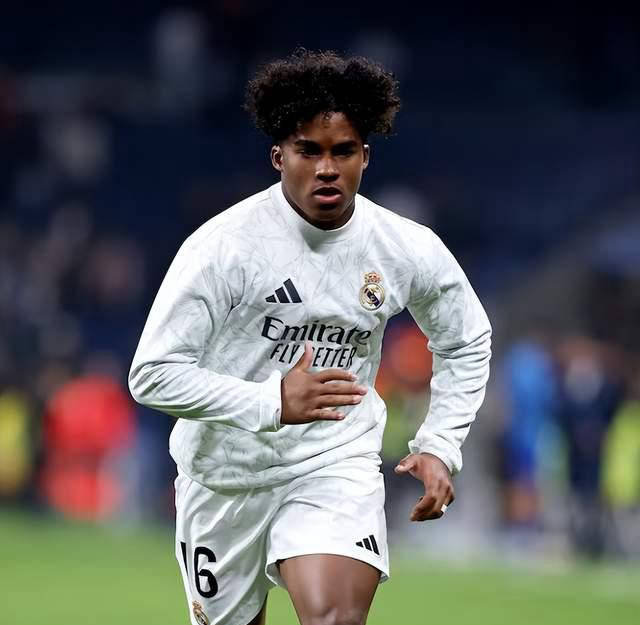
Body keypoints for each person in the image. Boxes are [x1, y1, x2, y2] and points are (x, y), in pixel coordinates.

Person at [129, 49, 491, 625]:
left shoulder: (404, 247)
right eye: (308, 151)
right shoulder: (224, 247)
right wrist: (272, 401)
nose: (327, 168)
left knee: (333, 619)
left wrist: (440, 443)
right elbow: (152, 374)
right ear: (279, 157)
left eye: (343, 151)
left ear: (365, 156)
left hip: (333, 460)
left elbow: (466, 339)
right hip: (224, 476)